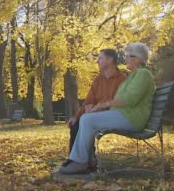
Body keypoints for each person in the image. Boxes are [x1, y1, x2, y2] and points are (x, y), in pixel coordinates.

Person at [59, 42, 156, 175]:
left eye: (128, 56)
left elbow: (129, 99)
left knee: (88, 120)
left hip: (132, 118)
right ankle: (79, 160)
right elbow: (117, 99)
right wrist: (96, 108)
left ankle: (80, 162)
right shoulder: (133, 76)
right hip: (124, 115)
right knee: (86, 118)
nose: (124, 59)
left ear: (138, 59)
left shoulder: (143, 74)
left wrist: (101, 106)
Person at [63, 49, 126, 169]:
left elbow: (119, 102)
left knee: (87, 121)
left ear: (110, 60)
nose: (97, 61)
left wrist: (98, 108)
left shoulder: (122, 80)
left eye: (100, 58)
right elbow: (88, 101)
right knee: (76, 123)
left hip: (111, 116)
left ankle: (83, 161)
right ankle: (77, 160)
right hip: (95, 114)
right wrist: (76, 116)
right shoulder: (98, 79)